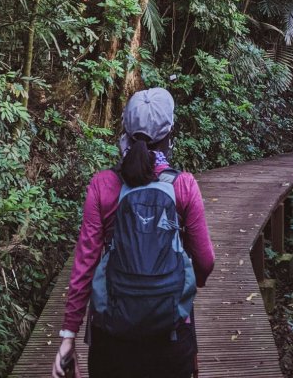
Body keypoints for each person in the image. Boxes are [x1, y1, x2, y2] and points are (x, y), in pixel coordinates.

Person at [52, 87, 215, 378]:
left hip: (111, 340)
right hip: (171, 337)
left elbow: (85, 265)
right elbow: (205, 261)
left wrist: (68, 336)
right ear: (169, 134)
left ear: (125, 130)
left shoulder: (102, 185)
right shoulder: (184, 186)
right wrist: (188, 282)